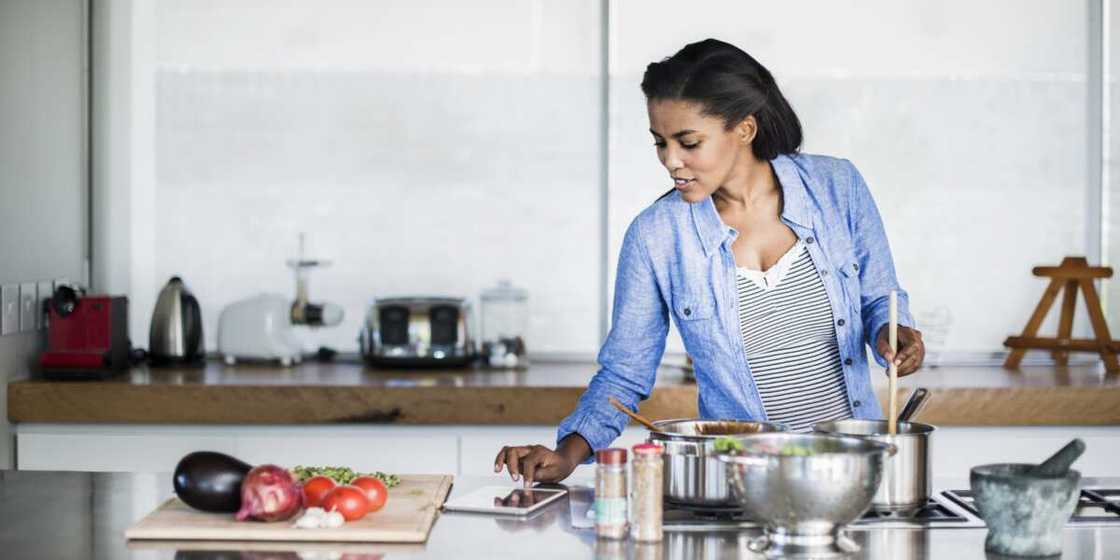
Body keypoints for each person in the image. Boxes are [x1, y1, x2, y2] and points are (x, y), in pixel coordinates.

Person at [494, 38, 925, 486]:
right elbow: (624, 373)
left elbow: (881, 299)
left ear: (744, 129)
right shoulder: (656, 236)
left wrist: (893, 334)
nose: (670, 161)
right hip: (744, 488)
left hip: (857, 478)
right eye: (660, 143)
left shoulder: (838, 186)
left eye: (688, 142)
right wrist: (567, 455)